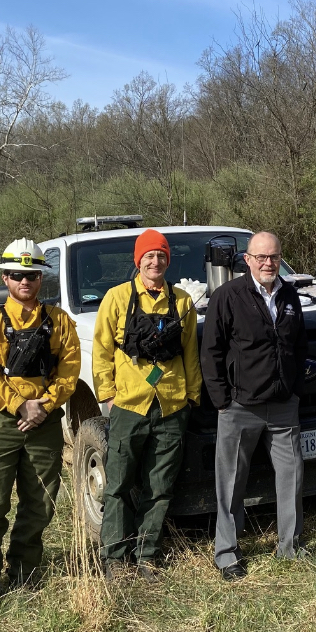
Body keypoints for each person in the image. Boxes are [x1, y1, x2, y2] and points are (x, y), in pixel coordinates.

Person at [0, 239, 81, 611]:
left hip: (44, 421)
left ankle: (24, 570)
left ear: (41, 278)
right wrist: (19, 405)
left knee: (41, 501)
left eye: (31, 275)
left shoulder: (60, 321)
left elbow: (70, 369)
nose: (25, 282)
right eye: (17, 275)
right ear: (5, 277)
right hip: (2, 421)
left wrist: (45, 405)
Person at [91, 229, 201, 580]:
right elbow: (101, 349)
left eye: (162, 256)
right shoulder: (117, 297)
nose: (155, 262)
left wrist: (192, 395)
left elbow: (191, 354)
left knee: (159, 486)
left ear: (168, 261)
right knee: (119, 484)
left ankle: (147, 556)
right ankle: (114, 558)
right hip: (128, 405)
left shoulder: (182, 302)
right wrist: (106, 395)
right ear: (138, 261)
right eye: (149, 256)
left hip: (171, 406)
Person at [201, 231, 309, 581]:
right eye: (261, 257)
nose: (268, 263)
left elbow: (300, 345)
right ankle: (227, 554)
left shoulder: (290, 294)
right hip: (239, 406)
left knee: (292, 477)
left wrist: (294, 389)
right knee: (231, 483)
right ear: (246, 260)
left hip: (282, 405)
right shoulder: (227, 296)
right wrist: (222, 400)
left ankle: (290, 546)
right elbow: (212, 352)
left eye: (274, 257)